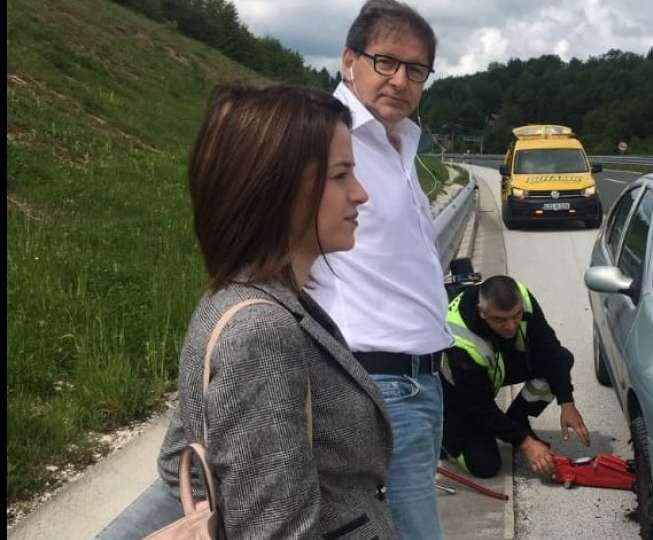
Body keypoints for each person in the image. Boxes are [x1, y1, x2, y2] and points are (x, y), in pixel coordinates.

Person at [156, 84, 398, 539]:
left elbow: (178, 459)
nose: (361, 194)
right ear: (280, 188)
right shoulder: (260, 330)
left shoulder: (239, 298)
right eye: (341, 174)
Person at [306, 1, 450, 537]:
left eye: (416, 70)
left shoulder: (400, 142)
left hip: (421, 379)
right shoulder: (325, 138)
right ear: (349, 61)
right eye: (385, 61)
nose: (400, 79)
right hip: (379, 380)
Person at [440, 275, 591, 479]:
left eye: (516, 315)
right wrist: (526, 444)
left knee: (561, 360)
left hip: (495, 369)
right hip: (460, 397)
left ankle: (517, 418)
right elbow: (481, 407)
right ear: (482, 312)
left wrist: (567, 402)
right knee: (485, 466)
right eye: (500, 320)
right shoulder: (459, 340)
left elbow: (551, 351)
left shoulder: (523, 299)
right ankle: (443, 440)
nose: (510, 326)